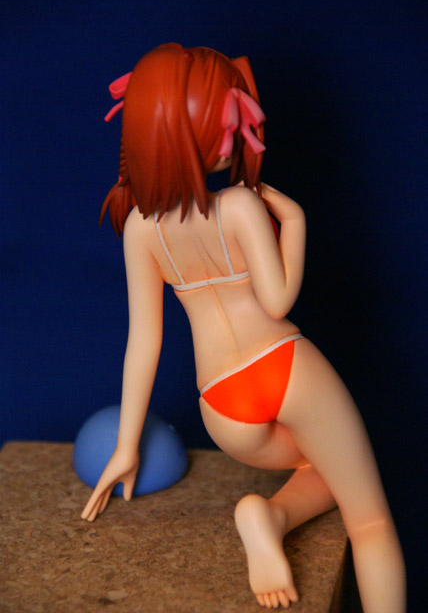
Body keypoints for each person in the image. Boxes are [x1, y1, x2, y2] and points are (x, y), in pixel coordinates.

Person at [81, 43, 406, 611]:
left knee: (327, 466)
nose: (237, 140)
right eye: (228, 126)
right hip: (284, 366)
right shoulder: (238, 206)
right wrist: (295, 221)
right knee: (371, 522)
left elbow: (144, 342)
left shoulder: (139, 229)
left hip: (223, 407)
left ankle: (269, 516)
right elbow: (277, 302)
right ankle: (268, 519)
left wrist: (125, 445)